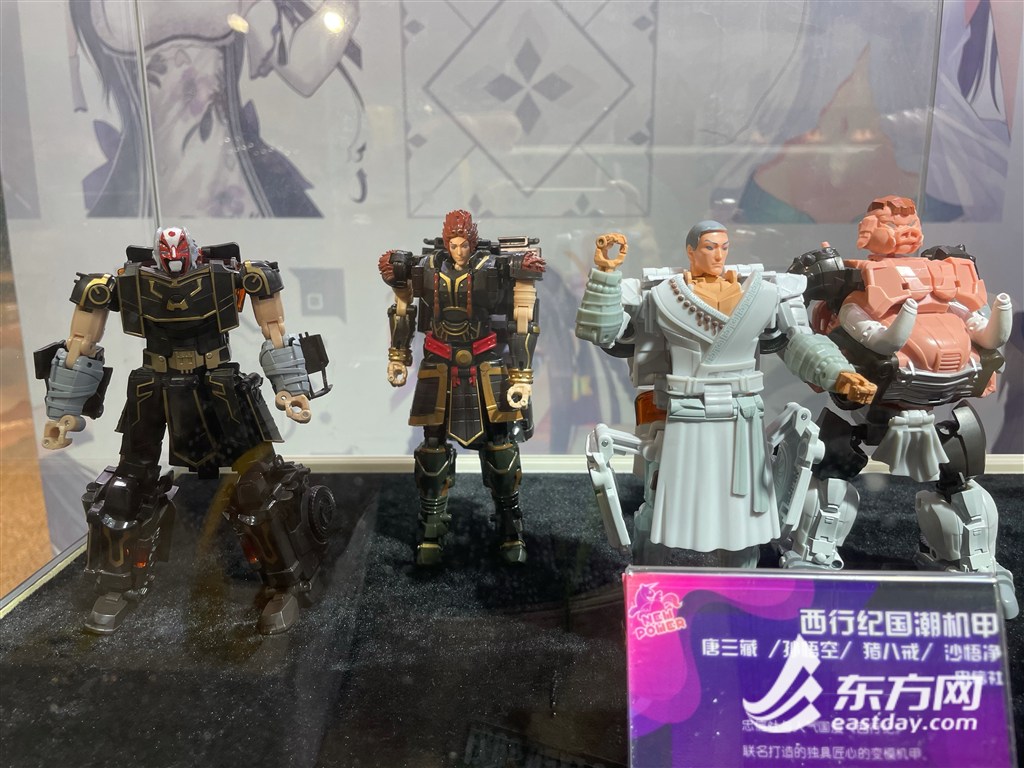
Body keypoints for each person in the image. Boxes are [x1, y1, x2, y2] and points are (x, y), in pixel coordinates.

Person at [37, 226, 334, 634]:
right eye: (167, 259)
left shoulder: (233, 276)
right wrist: (64, 411)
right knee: (124, 489)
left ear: (193, 254)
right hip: (153, 386)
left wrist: (292, 387)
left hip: (219, 384)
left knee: (258, 485)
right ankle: (116, 586)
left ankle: (287, 582)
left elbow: (275, 328)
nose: (174, 265)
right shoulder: (119, 284)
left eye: (180, 258)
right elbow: (79, 342)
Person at [576, 222, 875, 568]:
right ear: (691, 251)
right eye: (709, 247)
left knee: (742, 511)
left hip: (741, 415)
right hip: (684, 413)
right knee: (665, 505)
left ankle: (739, 582)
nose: (718, 255)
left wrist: (837, 373)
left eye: (723, 247)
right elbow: (600, 331)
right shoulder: (659, 294)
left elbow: (797, 341)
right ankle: (653, 577)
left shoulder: (765, 293)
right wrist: (605, 275)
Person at [782, 196, 1018, 618]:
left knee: (961, 485)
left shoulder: (944, 277)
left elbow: (980, 327)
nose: (905, 230)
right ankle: (814, 556)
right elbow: (825, 323)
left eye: (910, 222)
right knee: (831, 476)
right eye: (892, 222)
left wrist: (990, 317)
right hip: (871, 407)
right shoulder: (853, 287)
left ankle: (976, 563)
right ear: (868, 232)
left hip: (933, 408)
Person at [379, 210, 544, 565]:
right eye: (453, 245)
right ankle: (431, 527)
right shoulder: (427, 267)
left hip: (485, 362)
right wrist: (398, 355)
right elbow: (403, 308)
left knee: (500, 447)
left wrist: (521, 374)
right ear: (446, 243)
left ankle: (509, 526)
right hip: (439, 362)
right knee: (432, 449)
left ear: (473, 242)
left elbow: (523, 317)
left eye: (464, 244)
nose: (459, 251)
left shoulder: (493, 267)